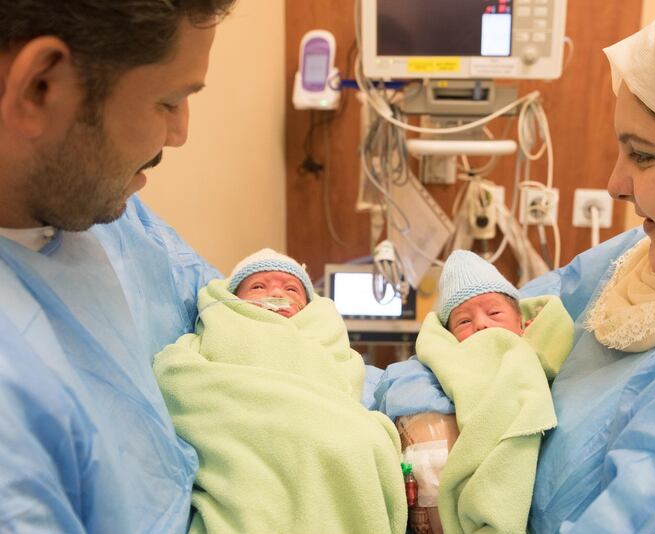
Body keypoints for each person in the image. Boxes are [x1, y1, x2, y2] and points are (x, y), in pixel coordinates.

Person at [377, 0, 655, 531]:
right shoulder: (654, 253)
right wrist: (422, 423)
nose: (615, 184)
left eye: (643, 156)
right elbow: (465, 329)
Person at [0, 1, 235, 531]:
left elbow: (262, 337)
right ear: (41, 86)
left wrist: (414, 413)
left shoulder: (101, 213)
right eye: (169, 101)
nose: (180, 133)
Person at [154, 248, 408, 533]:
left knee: (363, 442)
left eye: (291, 288)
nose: (275, 293)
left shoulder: (323, 341)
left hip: (325, 429)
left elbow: (343, 385)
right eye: (258, 286)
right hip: (246, 434)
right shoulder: (220, 327)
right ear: (234, 300)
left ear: (308, 307)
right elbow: (175, 375)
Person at [383, 250, 574, 534]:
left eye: (495, 313)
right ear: (448, 334)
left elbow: (555, 353)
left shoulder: (531, 344)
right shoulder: (447, 358)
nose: (482, 324)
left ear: (521, 322)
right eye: (463, 321)